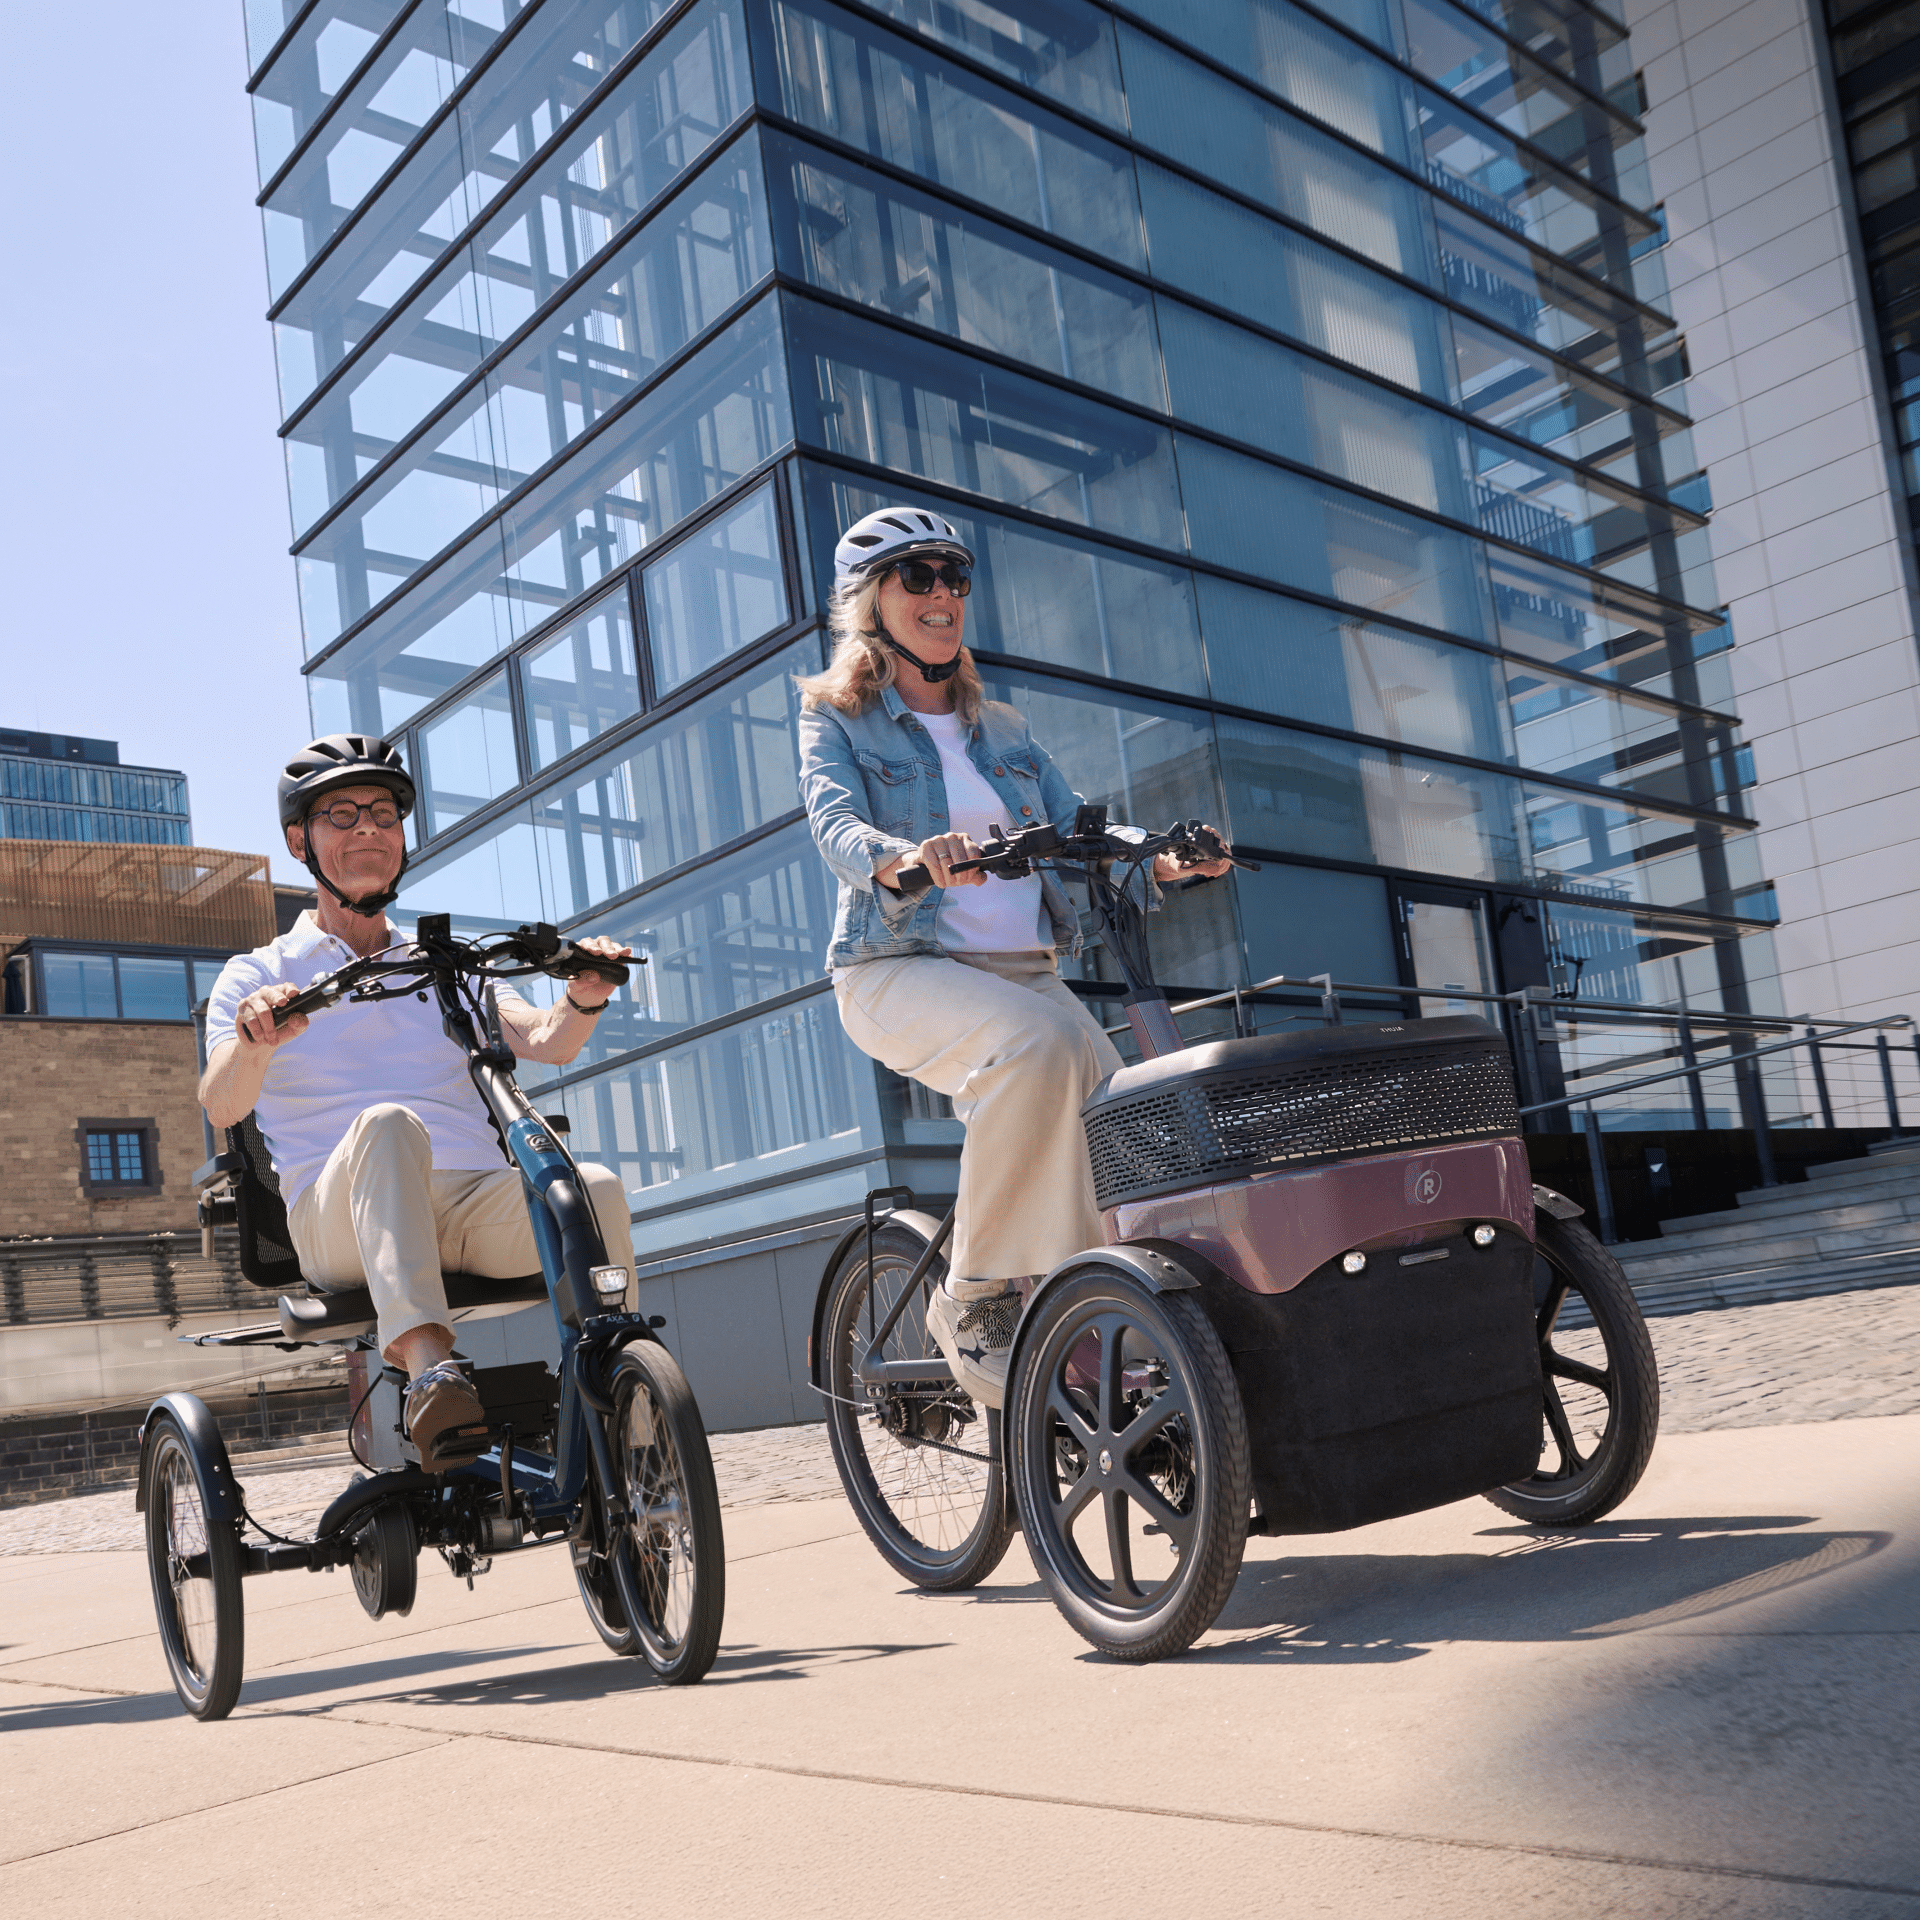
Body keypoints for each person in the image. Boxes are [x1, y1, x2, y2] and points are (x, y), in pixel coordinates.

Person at [797, 509, 1231, 1408]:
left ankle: (1084, 1316)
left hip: (1025, 973)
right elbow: (834, 824)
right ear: (870, 604)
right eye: (918, 576)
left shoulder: (1001, 727)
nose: (944, 594)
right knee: (1041, 1049)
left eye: (955, 576)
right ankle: (972, 1297)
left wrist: (1166, 857)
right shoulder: (837, 719)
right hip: (894, 968)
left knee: (1120, 1115)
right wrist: (905, 857)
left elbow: (1085, 829)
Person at [200, 735, 635, 1469]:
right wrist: (254, 1043)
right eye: (342, 814)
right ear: (300, 842)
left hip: (467, 1206)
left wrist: (584, 996)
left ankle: (625, 1407)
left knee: (592, 1189)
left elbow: (546, 1039)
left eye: (383, 813)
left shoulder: (444, 965)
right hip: (341, 1222)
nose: (368, 828)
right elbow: (219, 1102)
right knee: (387, 1124)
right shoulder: (259, 975)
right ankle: (433, 1375)